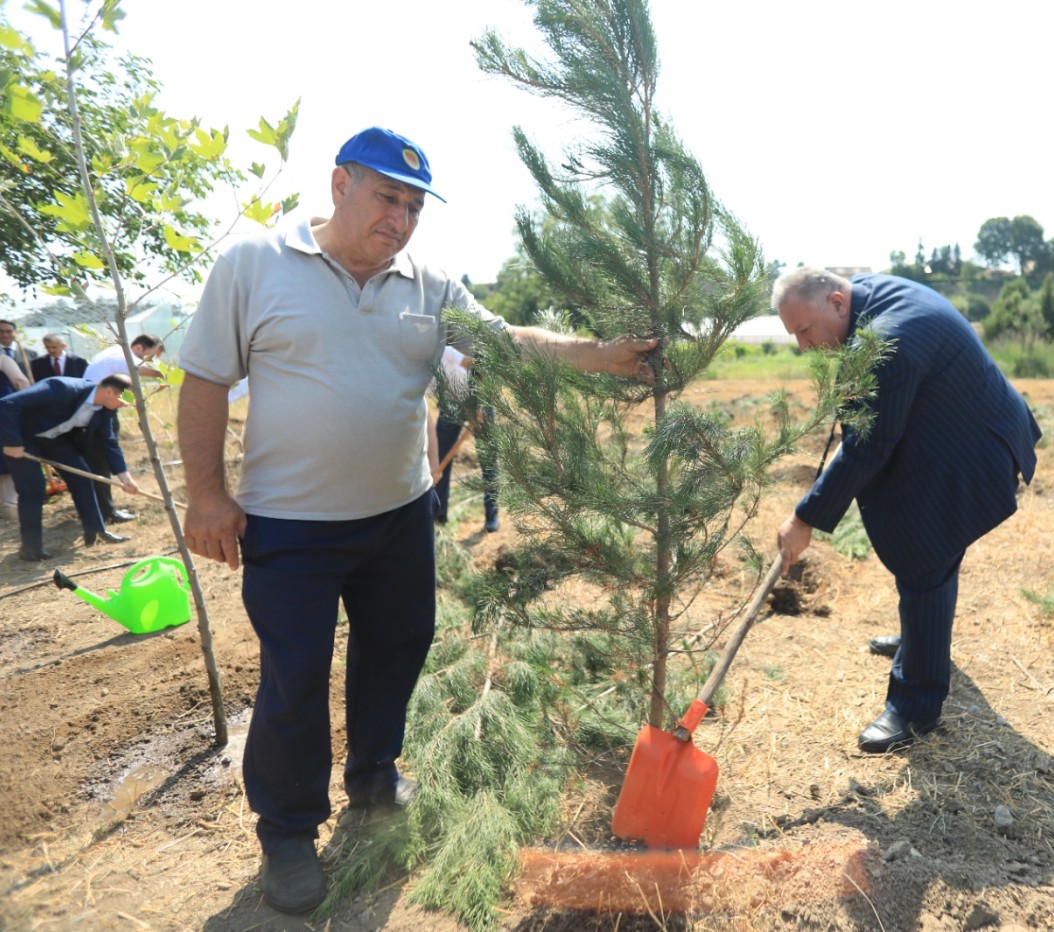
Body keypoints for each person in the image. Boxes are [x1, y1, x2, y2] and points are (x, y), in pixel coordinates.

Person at [177, 126, 656, 915]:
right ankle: (289, 832)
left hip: (397, 517)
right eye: (385, 197)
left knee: (397, 650)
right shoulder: (255, 264)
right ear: (339, 185)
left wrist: (600, 355)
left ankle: (373, 778)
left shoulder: (428, 282)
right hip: (288, 525)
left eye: (413, 206)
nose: (400, 218)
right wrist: (206, 493)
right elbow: (202, 380)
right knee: (294, 679)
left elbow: (503, 344)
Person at [773, 267, 1040, 754]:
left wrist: (804, 518)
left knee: (926, 552)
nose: (805, 349)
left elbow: (867, 448)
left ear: (836, 302)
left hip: (975, 447)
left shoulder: (885, 341)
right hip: (958, 429)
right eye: (795, 336)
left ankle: (916, 707)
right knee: (928, 553)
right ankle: (923, 640)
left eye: (805, 332)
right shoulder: (868, 298)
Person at [0, 373, 139, 561]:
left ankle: (96, 533)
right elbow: (7, 405)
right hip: (22, 438)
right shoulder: (60, 388)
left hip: (54, 439)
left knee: (83, 477)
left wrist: (125, 477)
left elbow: (109, 442)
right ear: (109, 392)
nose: (125, 405)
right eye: (124, 400)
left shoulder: (105, 409)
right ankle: (30, 548)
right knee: (33, 489)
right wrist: (12, 442)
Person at [82, 335, 166, 524]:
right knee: (101, 459)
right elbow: (143, 369)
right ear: (138, 348)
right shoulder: (121, 354)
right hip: (95, 411)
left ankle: (105, 509)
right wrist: (170, 373)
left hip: (102, 407)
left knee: (104, 458)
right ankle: (106, 512)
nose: (154, 362)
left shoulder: (114, 354)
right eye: (153, 357)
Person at [432, 342, 499, 532]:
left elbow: (480, 365)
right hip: (450, 403)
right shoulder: (432, 342)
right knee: (439, 459)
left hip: (479, 402)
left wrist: (480, 403)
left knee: (488, 458)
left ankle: (491, 515)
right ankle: (439, 516)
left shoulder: (456, 343)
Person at [0, 331, 29, 523]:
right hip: (3, 415)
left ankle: (5, 501)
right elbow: (20, 380)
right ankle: (11, 503)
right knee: (10, 457)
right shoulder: (2, 359)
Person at [0, 320, 35, 386]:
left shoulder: (31, 354)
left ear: (15, 332)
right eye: (0, 331)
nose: (5, 334)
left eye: (9, 331)